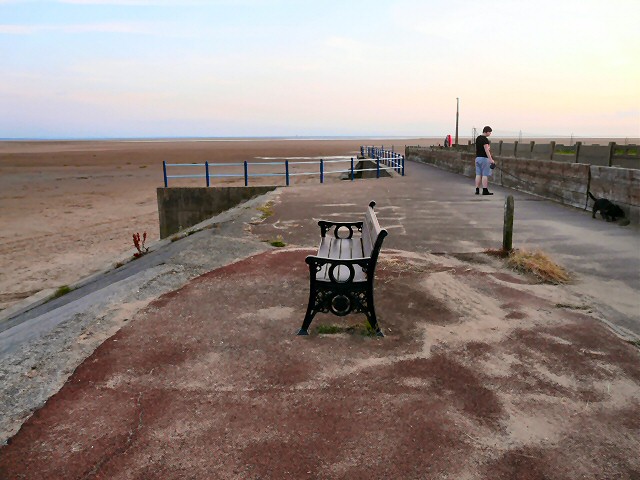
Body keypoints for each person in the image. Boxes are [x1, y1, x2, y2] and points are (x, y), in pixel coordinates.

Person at [475, 126, 495, 195]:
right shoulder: (485, 140)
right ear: (486, 131)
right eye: (489, 132)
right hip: (484, 159)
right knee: (484, 175)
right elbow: (486, 150)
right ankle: (485, 190)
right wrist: (491, 159)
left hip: (477, 158)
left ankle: (477, 190)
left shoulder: (478, 138)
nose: (490, 134)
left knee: (478, 174)